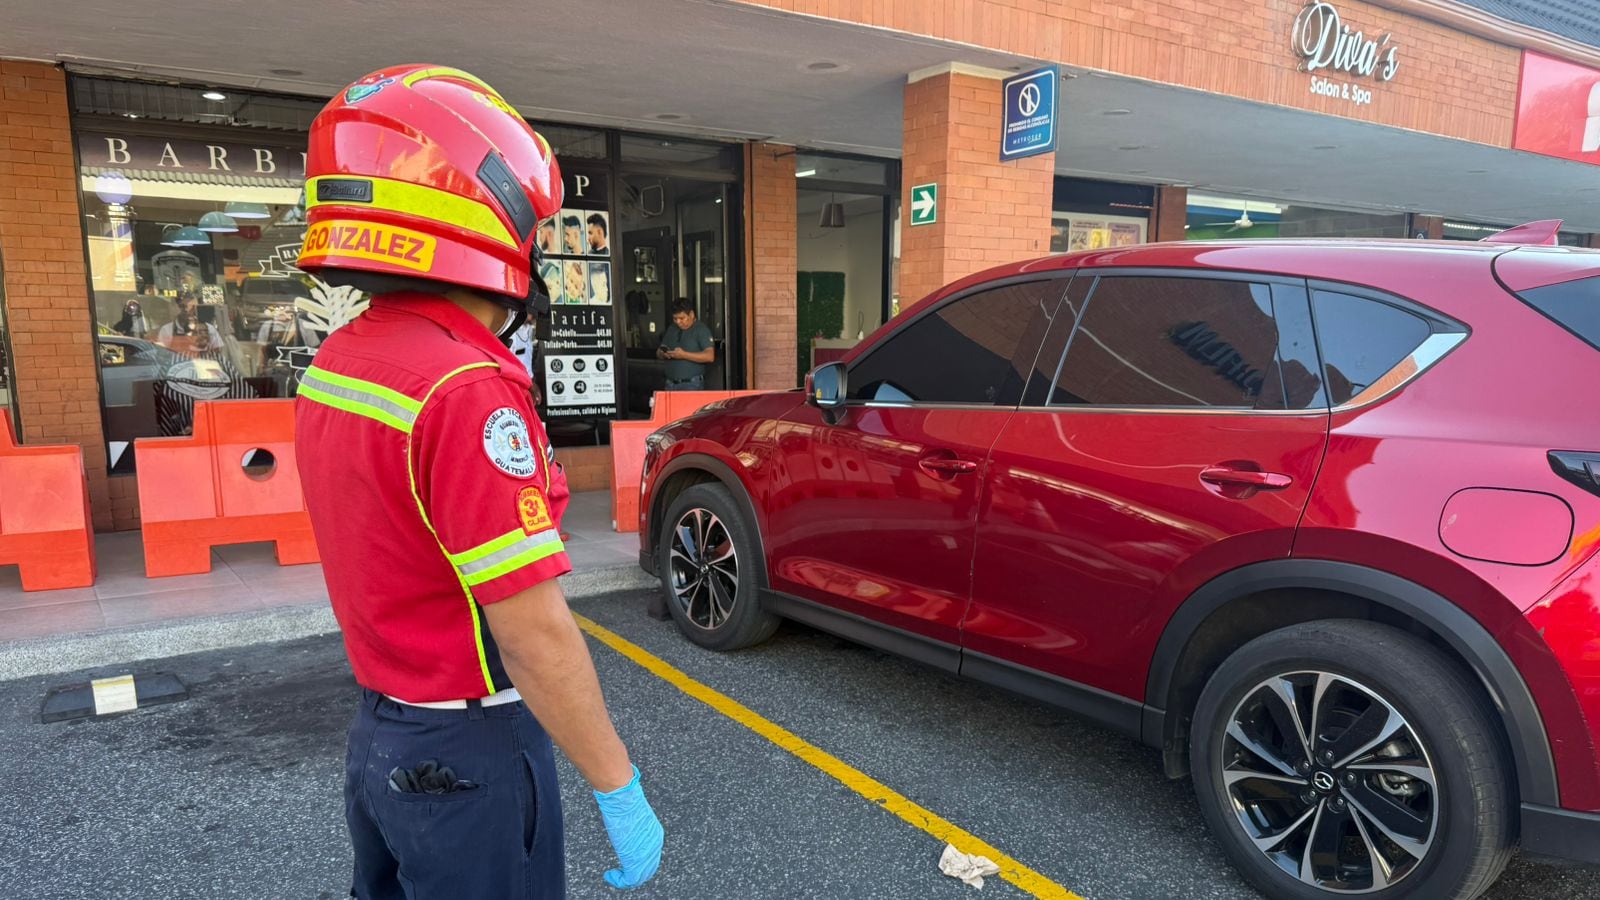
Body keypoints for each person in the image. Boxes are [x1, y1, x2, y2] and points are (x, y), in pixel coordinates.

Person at [291, 64, 663, 899]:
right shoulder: (464, 389)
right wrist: (617, 785)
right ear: (490, 226)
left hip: (381, 733)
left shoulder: (340, 362)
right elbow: (532, 632)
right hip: (470, 756)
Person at [657, 299, 714, 390]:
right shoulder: (672, 328)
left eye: (682, 318)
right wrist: (663, 353)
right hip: (670, 383)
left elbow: (709, 356)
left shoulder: (701, 330)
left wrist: (683, 355)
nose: (678, 322)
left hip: (691, 384)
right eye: (675, 319)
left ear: (691, 314)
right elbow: (659, 352)